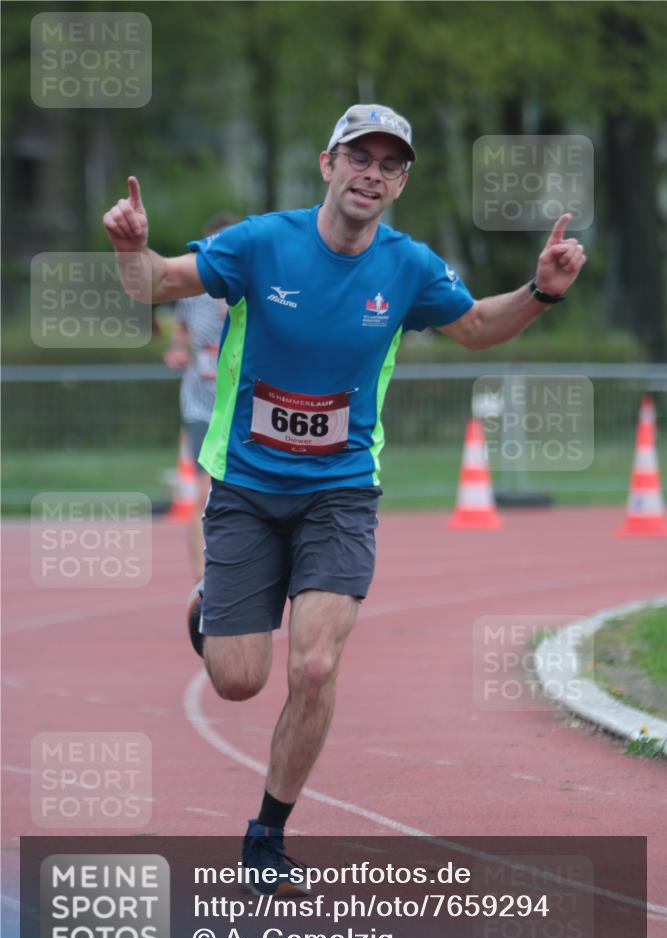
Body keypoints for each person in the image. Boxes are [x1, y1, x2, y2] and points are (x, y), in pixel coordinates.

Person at [103, 103, 586, 895]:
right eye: (358, 157)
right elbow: (156, 282)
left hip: (340, 491)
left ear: (400, 184)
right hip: (247, 486)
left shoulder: (409, 266)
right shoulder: (261, 243)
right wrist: (130, 247)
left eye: (389, 164)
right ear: (327, 165)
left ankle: (267, 836)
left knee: (316, 665)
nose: (371, 174)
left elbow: (473, 327)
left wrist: (540, 291)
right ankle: (211, 601)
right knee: (236, 680)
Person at [163, 212, 238, 579]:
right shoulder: (191, 292)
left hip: (245, 406)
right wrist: (178, 350)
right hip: (202, 405)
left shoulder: (258, 289)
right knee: (205, 491)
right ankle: (202, 583)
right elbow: (181, 331)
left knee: (245, 496)